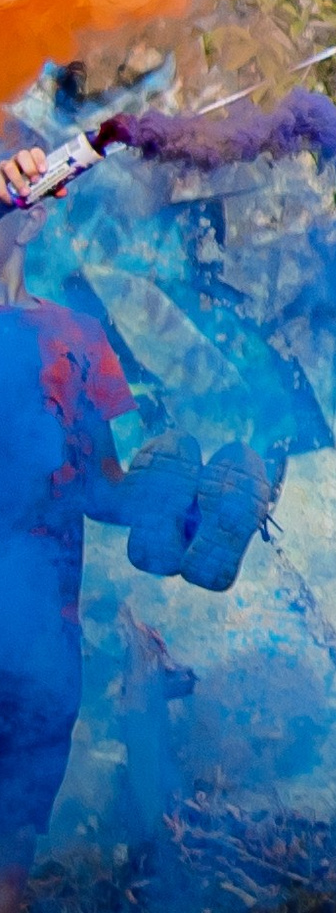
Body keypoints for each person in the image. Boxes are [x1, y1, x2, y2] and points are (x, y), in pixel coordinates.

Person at [0, 127, 138, 912]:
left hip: (38, 649)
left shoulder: (76, 339)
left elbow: (107, 490)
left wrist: (187, 508)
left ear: (40, 211)